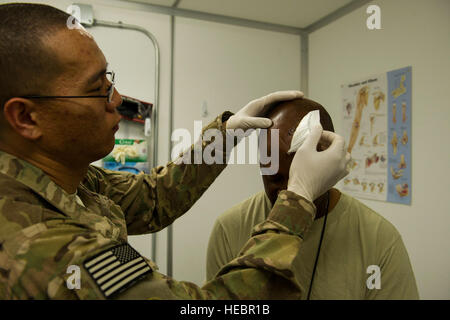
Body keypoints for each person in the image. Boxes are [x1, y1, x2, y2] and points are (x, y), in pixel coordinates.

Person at [0, 3, 350, 299]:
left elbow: (153, 198)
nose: (118, 100)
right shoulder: (41, 246)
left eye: (110, 82)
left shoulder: (69, 182)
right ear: (26, 117)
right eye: (96, 89)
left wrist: (225, 135)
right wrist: (299, 199)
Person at [206, 98, 419, 299]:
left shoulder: (379, 240)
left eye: (294, 177)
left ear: (327, 164)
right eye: (274, 176)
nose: (286, 193)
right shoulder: (229, 229)